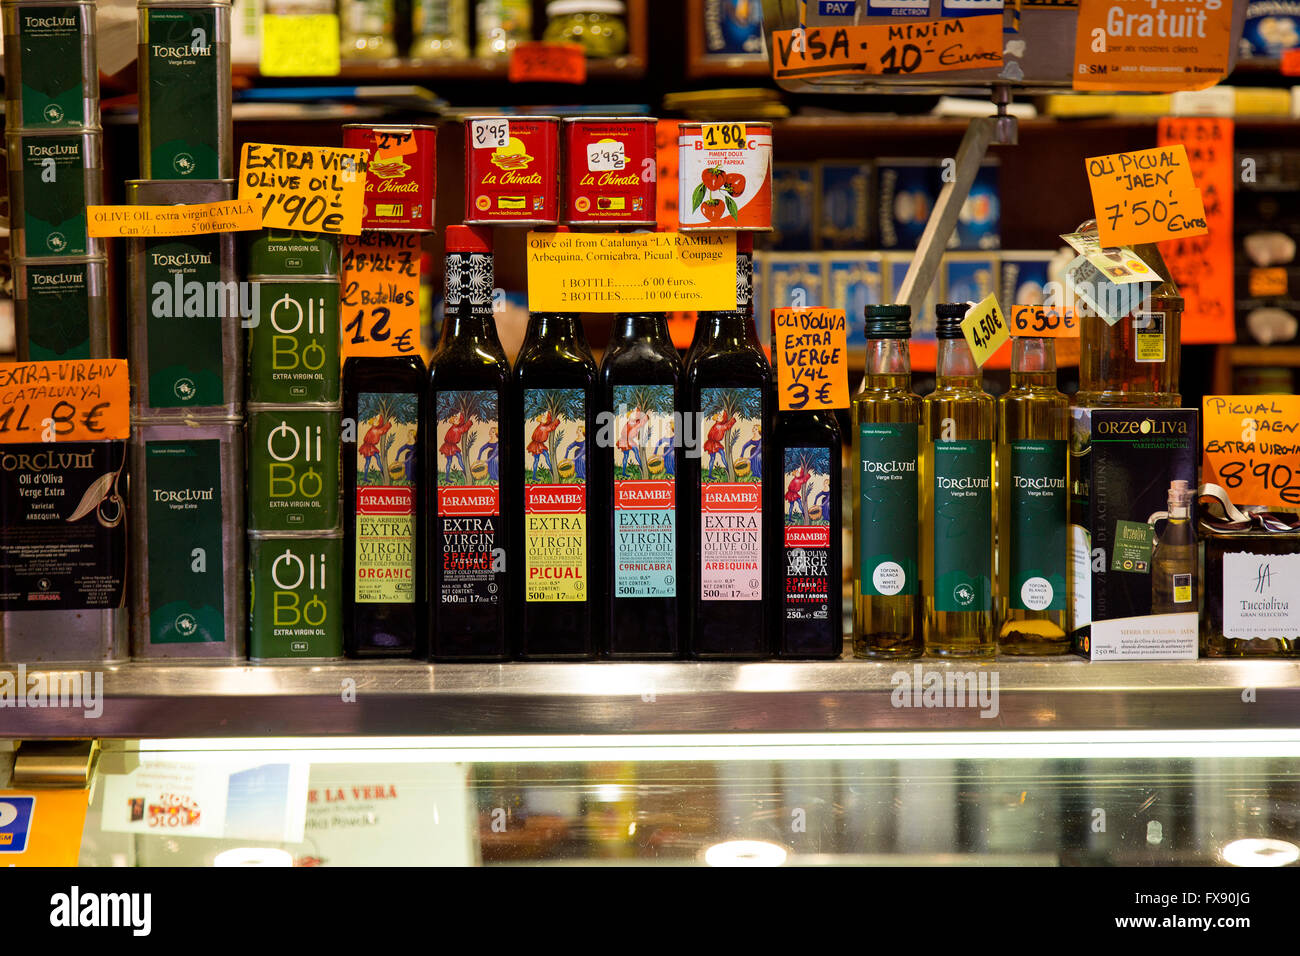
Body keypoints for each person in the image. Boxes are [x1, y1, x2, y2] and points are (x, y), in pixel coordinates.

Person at [528, 412, 562, 481]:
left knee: (543, 458)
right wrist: (557, 420)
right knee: (541, 459)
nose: (545, 418)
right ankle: (551, 470)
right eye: (543, 417)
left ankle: (550, 470)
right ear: (541, 420)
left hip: (538, 444)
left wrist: (550, 413)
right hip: (537, 445)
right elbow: (550, 427)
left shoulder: (543, 425)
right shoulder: (543, 427)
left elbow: (549, 421)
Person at [439, 411, 473, 480]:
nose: (458, 420)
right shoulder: (455, 429)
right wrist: (470, 421)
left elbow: (462, 422)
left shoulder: (456, 426)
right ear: (453, 422)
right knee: (452, 461)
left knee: (456, 459)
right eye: (456, 420)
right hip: (449, 447)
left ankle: (463, 471)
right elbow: (463, 428)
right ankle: (462, 472)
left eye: (457, 419)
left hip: (451, 446)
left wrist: (461, 414)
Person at [703, 410, 735, 478]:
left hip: (714, 443)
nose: (721, 417)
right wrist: (733, 418)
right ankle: (726, 469)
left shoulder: (719, 423)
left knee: (718, 456)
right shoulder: (718, 426)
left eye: (721, 416)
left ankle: (726, 468)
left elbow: (724, 420)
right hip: (712, 443)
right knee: (715, 457)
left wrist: (725, 412)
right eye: (720, 416)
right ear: (717, 419)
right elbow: (726, 426)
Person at [617, 408, 649, 477]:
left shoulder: (633, 422)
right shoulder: (632, 423)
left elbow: (641, 420)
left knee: (631, 454)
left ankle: (625, 471)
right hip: (626, 441)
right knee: (632, 454)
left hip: (626, 441)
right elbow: (641, 423)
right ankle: (641, 467)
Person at [359, 415, 391, 480]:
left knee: (374, 459)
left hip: (369, 447)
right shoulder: (374, 430)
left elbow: (381, 424)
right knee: (371, 460)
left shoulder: (375, 428)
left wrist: (382, 416)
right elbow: (382, 430)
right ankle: (381, 472)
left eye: (377, 420)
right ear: (373, 423)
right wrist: (389, 424)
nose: (377, 421)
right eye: (376, 421)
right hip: (368, 447)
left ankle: (381, 471)